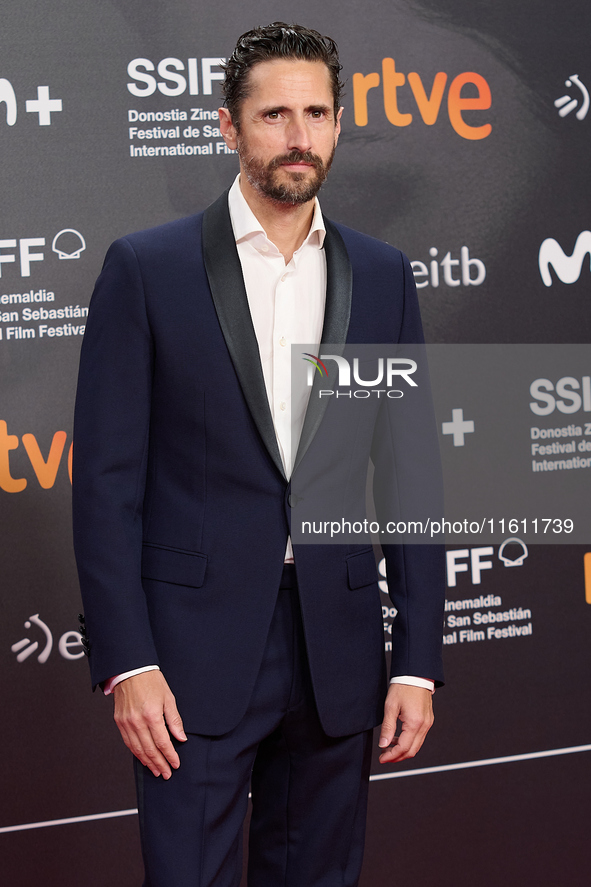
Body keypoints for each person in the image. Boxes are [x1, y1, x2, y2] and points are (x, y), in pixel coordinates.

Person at [73, 22, 445, 887]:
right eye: (273, 114)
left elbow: (410, 477)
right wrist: (129, 662)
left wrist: (418, 659)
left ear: (339, 124)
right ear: (228, 127)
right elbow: (104, 486)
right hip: (189, 656)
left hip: (339, 649)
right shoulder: (148, 269)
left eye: (316, 112)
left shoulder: (382, 274)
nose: (298, 135)